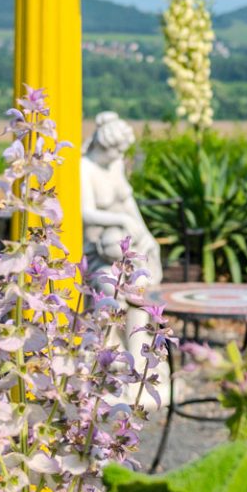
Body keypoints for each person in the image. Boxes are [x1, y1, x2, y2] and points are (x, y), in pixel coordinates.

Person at [80, 112, 166, 407]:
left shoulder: (114, 165)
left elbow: (130, 205)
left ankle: (139, 360)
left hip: (125, 247)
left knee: (140, 291)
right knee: (111, 290)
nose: (119, 157)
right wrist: (120, 220)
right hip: (97, 251)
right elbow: (86, 213)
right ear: (101, 146)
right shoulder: (85, 168)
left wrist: (146, 235)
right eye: (114, 150)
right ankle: (108, 358)